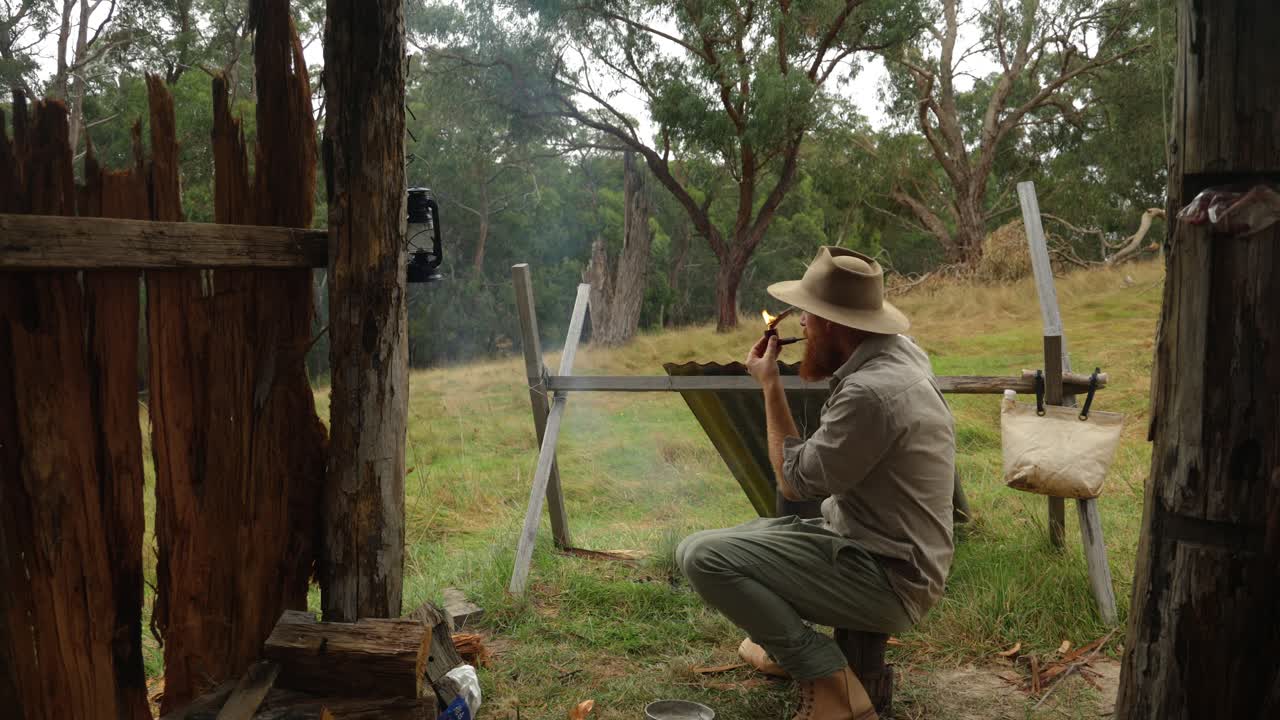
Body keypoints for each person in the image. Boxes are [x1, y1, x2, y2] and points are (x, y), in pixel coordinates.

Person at [675, 247, 956, 720]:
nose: (800, 324)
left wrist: (770, 385)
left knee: (702, 556)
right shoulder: (897, 354)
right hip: (889, 550)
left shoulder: (871, 393)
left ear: (836, 324)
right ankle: (789, 652)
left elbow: (794, 482)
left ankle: (827, 679)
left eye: (809, 314)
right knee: (735, 538)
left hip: (887, 577)